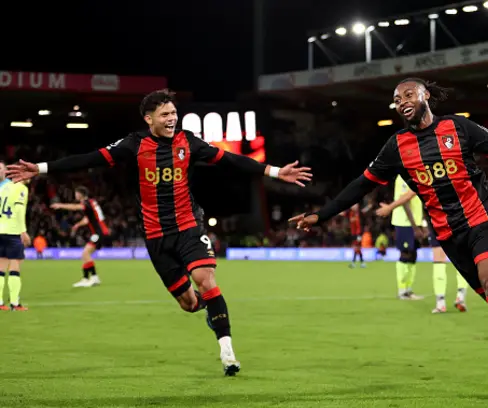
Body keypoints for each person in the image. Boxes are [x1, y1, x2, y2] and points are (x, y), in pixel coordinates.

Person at [289, 78, 488, 396]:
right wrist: (321, 215)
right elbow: (362, 184)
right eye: (397, 99)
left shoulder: (459, 128)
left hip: (482, 217)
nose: (402, 101)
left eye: (409, 94)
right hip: (449, 235)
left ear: (425, 96)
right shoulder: (396, 146)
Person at [7, 89, 312, 375]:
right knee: (190, 304)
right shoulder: (134, 144)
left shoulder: (189, 142)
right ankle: (209, 310)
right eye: (164, 114)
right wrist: (41, 168)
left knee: (205, 279)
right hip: (156, 236)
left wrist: (274, 171)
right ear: (148, 118)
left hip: (189, 225)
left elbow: (231, 160)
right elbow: (91, 159)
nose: (171, 119)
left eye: (173, 113)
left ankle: (227, 352)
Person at [377, 185, 469, 311]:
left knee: (438, 260)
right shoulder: (457, 173)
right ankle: (460, 296)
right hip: (459, 218)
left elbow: (411, 195)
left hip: (438, 220)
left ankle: (440, 303)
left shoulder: (425, 175)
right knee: (462, 258)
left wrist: (390, 207)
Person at [51, 186, 111, 287]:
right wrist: (78, 225)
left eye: (76, 193)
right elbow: (88, 219)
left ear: (80, 194)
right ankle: (86, 278)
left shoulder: (86, 203)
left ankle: (94, 277)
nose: (75, 195)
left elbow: (75, 207)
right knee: (84, 255)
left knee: (86, 253)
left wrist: (60, 205)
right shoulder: (92, 203)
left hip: (99, 233)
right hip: (100, 232)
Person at [377, 176, 426, 300]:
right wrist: (415, 227)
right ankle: (402, 291)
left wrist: (422, 223)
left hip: (416, 221)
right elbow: (404, 201)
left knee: (413, 255)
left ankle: (409, 290)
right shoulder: (403, 178)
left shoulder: (415, 175)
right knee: (406, 254)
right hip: (404, 222)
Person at [0, 160, 30, 311]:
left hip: (0, 230)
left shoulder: (4, 188)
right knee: (15, 266)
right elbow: (18, 211)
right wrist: (23, 231)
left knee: (0, 267)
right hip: (12, 232)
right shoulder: (21, 188)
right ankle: (14, 303)